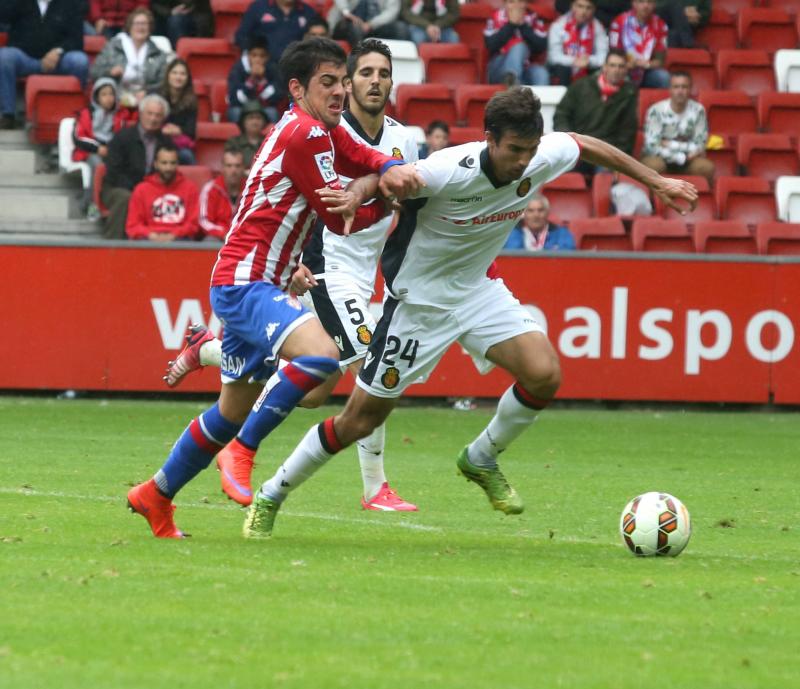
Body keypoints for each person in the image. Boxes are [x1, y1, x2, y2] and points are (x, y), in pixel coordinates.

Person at [241, 86, 697, 538]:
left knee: (544, 373)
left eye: (530, 150)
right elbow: (387, 178)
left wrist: (656, 181)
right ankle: (272, 494)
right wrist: (360, 192)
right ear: (489, 140)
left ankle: (481, 457)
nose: (523, 161)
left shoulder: (538, 156)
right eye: (514, 150)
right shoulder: (449, 170)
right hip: (417, 304)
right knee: (360, 419)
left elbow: (585, 144)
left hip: (478, 290)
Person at [126, 37, 423, 538]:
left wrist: (387, 167)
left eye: (342, 82)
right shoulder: (305, 135)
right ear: (297, 88)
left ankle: (155, 494)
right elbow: (337, 218)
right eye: (328, 83)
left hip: (258, 277)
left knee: (229, 411)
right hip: (246, 282)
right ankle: (242, 452)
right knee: (322, 359)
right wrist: (385, 203)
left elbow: (355, 150)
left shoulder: (317, 130)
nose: (340, 91)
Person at [0, 0, 89, 129]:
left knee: (80, 61)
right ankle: (7, 114)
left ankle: (75, 113)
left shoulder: (70, 4)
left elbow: (76, 40)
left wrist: (59, 51)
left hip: (58, 60)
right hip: (26, 58)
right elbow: (3, 14)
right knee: (5, 56)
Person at [553, 48, 637, 175]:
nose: (616, 70)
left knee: (605, 179)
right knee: (557, 170)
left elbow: (627, 131)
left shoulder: (629, 93)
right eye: (612, 65)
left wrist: (619, 159)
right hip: (577, 146)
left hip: (606, 152)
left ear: (626, 70)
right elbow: (561, 114)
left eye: (621, 66)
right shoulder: (581, 86)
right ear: (604, 67)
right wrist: (568, 141)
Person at [100, 93, 170, 239]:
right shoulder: (122, 137)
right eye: (149, 113)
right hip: (117, 188)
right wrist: (140, 190)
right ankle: (113, 247)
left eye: (158, 115)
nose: (153, 118)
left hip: (154, 190)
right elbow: (113, 172)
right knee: (125, 198)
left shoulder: (166, 142)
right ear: (141, 113)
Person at [72, 77, 134, 219]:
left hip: (113, 152)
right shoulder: (86, 114)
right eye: (104, 94)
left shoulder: (121, 115)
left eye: (111, 94)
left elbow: (123, 137)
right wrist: (97, 148)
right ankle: (93, 204)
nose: (108, 98)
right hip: (89, 152)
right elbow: (78, 137)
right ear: (96, 97)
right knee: (98, 165)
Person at [640, 70, 714, 184]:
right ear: (670, 89)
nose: (680, 91)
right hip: (659, 158)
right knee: (654, 166)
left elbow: (700, 144)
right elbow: (652, 146)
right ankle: (653, 200)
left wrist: (669, 144)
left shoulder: (698, 110)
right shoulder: (656, 110)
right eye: (676, 87)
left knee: (706, 168)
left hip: (689, 160)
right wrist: (680, 157)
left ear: (690, 89)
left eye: (684, 87)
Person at [90, 7, 169, 109]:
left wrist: (148, 92)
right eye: (137, 23)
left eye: (144, 24)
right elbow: (94, 72)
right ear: (129, 26)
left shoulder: (158, 53)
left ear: (150, 28)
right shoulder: (113, 47)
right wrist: (110, 72)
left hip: (146, 101)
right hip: (114, 99)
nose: (140, 27)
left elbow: (163, 83)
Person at [126, 141, 201, 240]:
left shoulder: (190, 188)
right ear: (156, 164)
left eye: (172, 163)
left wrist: (174, 235)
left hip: (180, 240)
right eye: (164, 163)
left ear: (178, 164)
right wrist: (151, 235)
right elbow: (133, 226)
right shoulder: (141, 189)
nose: (168, 168)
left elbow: (194, 225)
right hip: (148, 240)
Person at [484, 0, 549, 87]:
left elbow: (541, 46)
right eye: (511, 2)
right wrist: (511, 24)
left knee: (542, 74)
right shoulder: (495, 16)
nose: (516, 6)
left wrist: (522, 25)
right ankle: (512, 81)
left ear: (526, 3)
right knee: (519, 47)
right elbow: (491, 45)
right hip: (498, 68)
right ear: (505, 4)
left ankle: (515, 83)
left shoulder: (534, 18)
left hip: (524, 67)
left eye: (520, 1)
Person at [235, 0, 321, 63]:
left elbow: (318, 40)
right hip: (265, 69)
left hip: (296, 68)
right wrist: (257, 57)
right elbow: (241, 37)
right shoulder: (258, 8)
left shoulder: (308, 12)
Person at [608, 0, 669, 89]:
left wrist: (646, 64)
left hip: (647, 71)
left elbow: (660, 61)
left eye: (650, 2)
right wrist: (627, 64)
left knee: (664, 77)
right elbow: (613, 54)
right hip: (623, 69)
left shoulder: (661, 25)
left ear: (655, 4)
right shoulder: (619, 22)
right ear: (634, 3)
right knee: (615, 73)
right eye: (641, 2)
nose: (645, 6)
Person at [547, 0, 608, 86]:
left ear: (594, 10)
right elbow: (553, 57)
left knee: (602, 70)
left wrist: (589, 61)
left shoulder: (597, 27)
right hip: (564, 70)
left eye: (588, 8)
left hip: (587, 67)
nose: (583, 12)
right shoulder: (559, 25)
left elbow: (603, 57)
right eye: (580, 6)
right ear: (572, 6)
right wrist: (574, 61)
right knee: (563, 69)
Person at [226, 35, 285, 124]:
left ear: (267, 57)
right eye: (254, 55)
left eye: (262, 56)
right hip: (242, 108)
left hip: (264, 109)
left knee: (273, 112)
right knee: (235, 112)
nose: (258, 59)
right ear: (248, 55)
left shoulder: (273, 69)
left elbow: (277, 96)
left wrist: (261, 81)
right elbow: (234, 99)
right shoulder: (238, 69)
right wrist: (252, 80)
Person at [199, 145, 246, 241]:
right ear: (222, 168)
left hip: (243, 238)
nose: (233, 170)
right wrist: (224, 234)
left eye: (237, 166)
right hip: (218, 238)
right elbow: (204, 221)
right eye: (229, 166)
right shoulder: (210, 189)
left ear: (243, 168)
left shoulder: (251, 189)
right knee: (209, 241)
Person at [157, 57, 198, 165]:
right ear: (168, 75)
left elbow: (191, 131)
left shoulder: (192, 101)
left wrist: (178, 130)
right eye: (174, 73)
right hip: (158, 139)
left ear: (187, 78)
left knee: (187, 155)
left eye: (182, 74)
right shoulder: (157, 96)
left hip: (179, 144)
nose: (178, 77)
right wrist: (164, 129)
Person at [503, 194, 576, 250]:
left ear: (547, 213)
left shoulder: (562, 234)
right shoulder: (510, 234)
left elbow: (567, 259)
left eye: (540, 210)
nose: (536, 215)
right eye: (531, 211)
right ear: (524, 214)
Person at [328, 0, 409, 45]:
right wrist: (347, 13)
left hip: (375, 27)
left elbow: (391, 12)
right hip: (348, 23)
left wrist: (371, 24)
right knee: (355, 28)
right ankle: (360, 61)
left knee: (400, 28)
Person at [225, 99, 269, 169]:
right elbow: (230, 167)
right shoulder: (234, 142)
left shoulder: (269, 142)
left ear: (264, 122)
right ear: (243, 122)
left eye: (258, 118)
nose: (255, 122)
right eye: (250, 118)